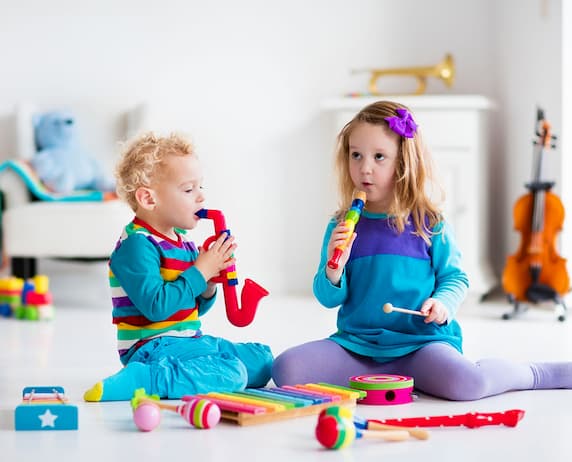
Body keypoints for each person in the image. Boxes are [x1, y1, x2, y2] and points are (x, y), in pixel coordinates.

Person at [271, 101, 572, 400]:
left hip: (420, 345)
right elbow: (327, 298)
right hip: (358, 347)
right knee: (286, 369)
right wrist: (334, 270)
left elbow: (455, 278)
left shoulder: (429, 224)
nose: (365, 167)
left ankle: (535, 373)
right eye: (356, 155)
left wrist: (442, 304)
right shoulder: (341, 226)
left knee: (469, 384)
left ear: (403, 163)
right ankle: (388, 379)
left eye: (379, 157)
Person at [84, 132, 273, 401]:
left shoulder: (183, 243)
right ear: (149, 199)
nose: (200, 198)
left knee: (263, 360)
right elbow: (157, 307)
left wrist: (207, 285)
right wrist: (200, 271)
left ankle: (189, 372)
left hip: (188, 341)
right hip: (151, 347)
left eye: (200, 187)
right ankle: (145, 379)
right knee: (234, 374)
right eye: (188, 189)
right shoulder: (136, 246)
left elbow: (193, 308)